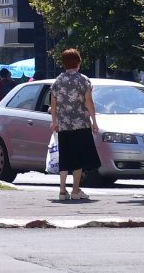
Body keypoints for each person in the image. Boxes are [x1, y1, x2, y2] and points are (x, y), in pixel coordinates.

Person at [50, 48, 100, 201]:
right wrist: (94, 121)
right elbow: (89, 102)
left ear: (64, 64)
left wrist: (54, 122)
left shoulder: (58, 81)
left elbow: (53, 103)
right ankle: (76, 190)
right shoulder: (83, 80)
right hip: (81, 124)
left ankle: (62, 191)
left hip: (64, 125)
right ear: (78, 62)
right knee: (78, 158)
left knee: (65, 157)